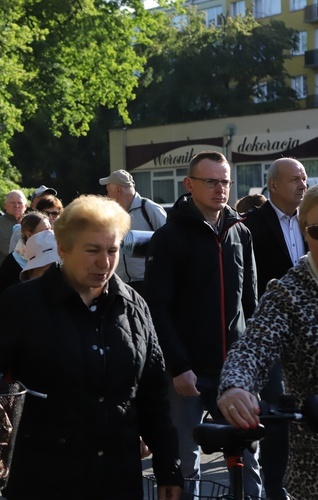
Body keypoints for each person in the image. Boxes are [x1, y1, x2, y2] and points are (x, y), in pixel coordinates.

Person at [0, 195, 183, 499]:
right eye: (92, 251)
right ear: (63, 249)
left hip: (117, 479)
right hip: (45, 478)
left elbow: (153, 396)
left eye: (112, 250)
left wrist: (169, 469)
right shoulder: (24, 303)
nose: (105, 262)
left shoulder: (133, 305)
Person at [144, 151, 259, 498]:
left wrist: (250, 363)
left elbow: (250, 301)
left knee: (248, 458)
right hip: (187, 372)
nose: (220, 189)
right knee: (184, 461)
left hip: (235, 372)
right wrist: (178, 366)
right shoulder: (168, 237)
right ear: (189, 184)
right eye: (211, 181)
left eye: (225, 181)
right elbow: (157, 307)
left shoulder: (240, 231)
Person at [217, 185, 318, 500]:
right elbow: (253, 349)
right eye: (317, 230)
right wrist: (235, 386)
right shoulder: (288, 294)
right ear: (304, 233)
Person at [240, 157, 308, 500]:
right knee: (277, 418)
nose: (302, 184)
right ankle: (276, 491)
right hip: (272, 334)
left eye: (305, 178)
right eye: (295, 178)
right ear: (274, 186)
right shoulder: (251, 225)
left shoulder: (311, 221)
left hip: (310, 338)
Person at [100, 169, 167, 295]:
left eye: (108, 192)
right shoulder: (111, 214)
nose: (107, 197)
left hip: (149, 284)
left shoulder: (149, 209)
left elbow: (169, 242)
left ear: (118, 191)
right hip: (121, 286)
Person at [0, 212, 50, 305]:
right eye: (44, 231)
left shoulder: (53, 255)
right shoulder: (12, 262)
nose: (49, 234)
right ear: (29, 235)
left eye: (50, 230)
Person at [0, 190, 27, 271]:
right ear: (5, 205)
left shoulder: (33, 224)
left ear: (26, 206)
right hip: (5, 277)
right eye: (12, 202)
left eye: (19, 203)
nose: (16, 205)